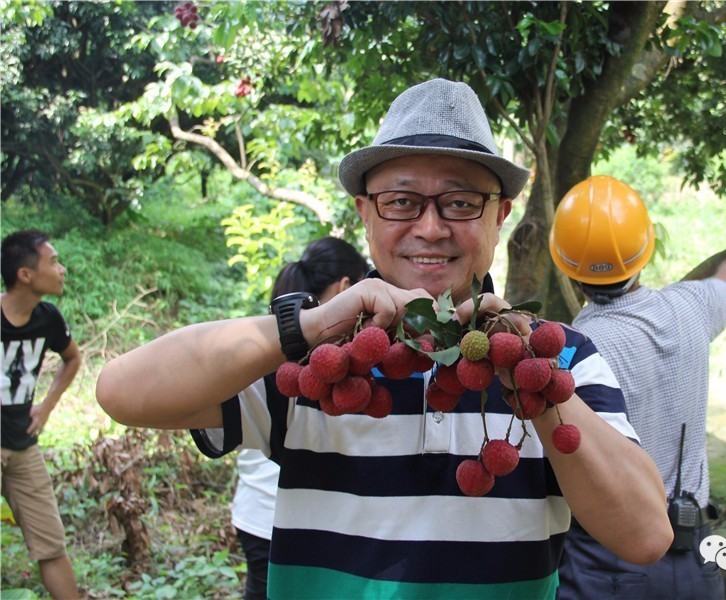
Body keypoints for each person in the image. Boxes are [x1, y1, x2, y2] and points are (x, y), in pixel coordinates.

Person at [97, 79, 672, 599]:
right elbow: (119, 392)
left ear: (501, 215)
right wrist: (310, 327)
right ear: (365, 214)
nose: (429, 226)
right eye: (401, 201)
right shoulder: (318, 363)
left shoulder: (560, 357)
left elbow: (645, 536)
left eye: (461, 202)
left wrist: (532, 383)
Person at [549, 175, 726, 599]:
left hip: (608, 561)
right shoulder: (692, 306)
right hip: (696, 559)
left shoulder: (573, 350)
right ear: (645, 251)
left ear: (563, 264)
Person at [231, 237, 369, 600]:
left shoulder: (268, 341)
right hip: (289, 520)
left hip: (254, 511)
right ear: (346, 288)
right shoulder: (310, 357)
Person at [1, 230, 82, 600]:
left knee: (50, 543)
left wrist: (46, 407)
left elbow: (73, 358)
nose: (61, 269)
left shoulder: (48, 317)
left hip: (22, 445)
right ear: (25, 274)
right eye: (52, 261)